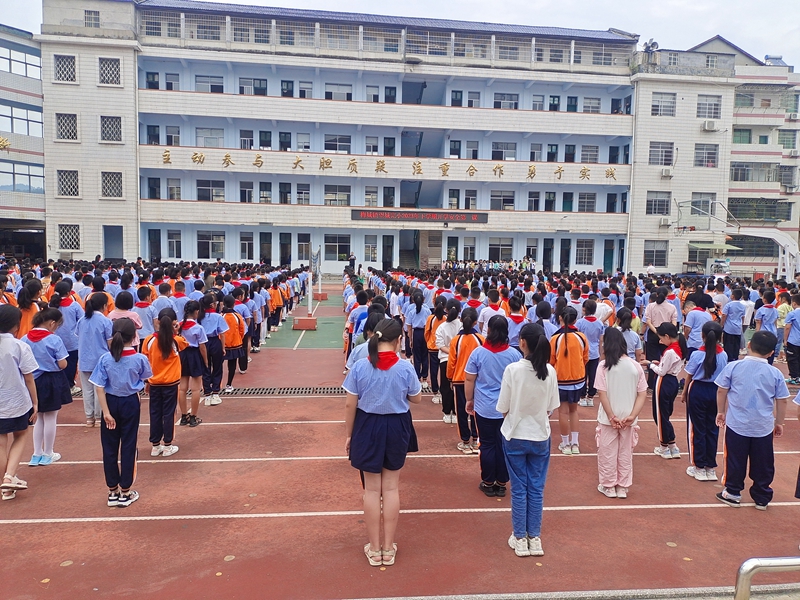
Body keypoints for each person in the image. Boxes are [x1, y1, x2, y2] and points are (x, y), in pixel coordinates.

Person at [343, 319, 422, 567]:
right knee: (390, 488)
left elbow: (350, 404)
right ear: (398, 340)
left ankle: (374, 548)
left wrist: (350, 434)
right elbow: (417, 398)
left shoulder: (360, 366)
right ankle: (388, 548)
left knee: (371, 490)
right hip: (397, 426)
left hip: (367, 426)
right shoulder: (405, 367)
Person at [497, 323, 558, 557]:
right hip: (540, 436)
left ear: (522, 342)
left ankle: (520, 538)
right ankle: (534, 537)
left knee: (519, 488)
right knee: (536, 488)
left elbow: (503, 407)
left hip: (515, 435)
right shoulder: (549, 371)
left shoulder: (513, 370)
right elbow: (551, 407)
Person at [714, 331, 789, 510]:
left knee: (734, 459)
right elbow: (782, 400)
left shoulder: (734, 366)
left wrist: (721, 411)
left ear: (748, 345)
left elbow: (721, 390)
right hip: (763, 427)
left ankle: (733, 492)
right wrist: (779, 422)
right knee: (763, 462)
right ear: (771, 353)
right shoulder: (775, 373)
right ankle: (762, 496)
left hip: (737, 424)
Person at [89, 318, 153, 508]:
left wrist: (105, 412)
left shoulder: (105, 358)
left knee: (109, 447)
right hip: (130, 402)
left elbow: (99, 386)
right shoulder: (139, 358)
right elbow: (147, 378)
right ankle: (125, 491)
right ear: (134, 336)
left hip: (109, 402)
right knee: (128, 444)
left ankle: (112, 491)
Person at [465, 315, 521, 497]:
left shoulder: (478, 353)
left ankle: (488, 481)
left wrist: (469, 399)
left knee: (487, 444)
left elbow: (469, 379)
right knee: (504, 445)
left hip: (485, 407)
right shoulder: (514, 355)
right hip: (507, 409)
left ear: (488, 330)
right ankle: (502, 482)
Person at [594, 327, 648, 499]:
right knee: (625, 452)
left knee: (607, 452)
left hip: (608, 418)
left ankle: (609, 485)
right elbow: (642, 393)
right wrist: (633, 415)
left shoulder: (603, 366)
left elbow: (602, 393)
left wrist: (611, 416)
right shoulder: (635, 366)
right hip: (628, 417)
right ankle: (622, 487)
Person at [22, 308, 72, 466]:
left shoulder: (25, 338)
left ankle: (36, 453)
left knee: (38, 417)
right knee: (50, 417)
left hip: (32, 380)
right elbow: (62, 364)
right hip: (51, 380)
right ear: (52, 323)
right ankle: (48, 453)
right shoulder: (54, 339)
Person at [0, 305, 39, 501]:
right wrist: (35, 402)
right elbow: (29, 377)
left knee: (0, 441)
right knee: (21, 434)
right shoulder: (19, 346)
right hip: (15, 400)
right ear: (16, 325)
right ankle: (8, 477)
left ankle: (6, 483)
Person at [682, 320, 727, 482]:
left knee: (697, 428)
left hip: (698, 390)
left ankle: (699, 466)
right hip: (716, 391)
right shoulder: (723, 355)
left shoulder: (697, 354)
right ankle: (710, 467)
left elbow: (689, 376)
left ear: (702, 336)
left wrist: (684, 393)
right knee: (713, 428)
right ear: (720, 337)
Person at [142, 308, 187, 458]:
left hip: (154, 382)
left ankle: (155, 445)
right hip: (171, 383)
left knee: (155, 412)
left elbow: (145, 361)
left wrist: (147, 380)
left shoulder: (149, 340)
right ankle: (168, 445)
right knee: (169, 413)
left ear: (158, 322)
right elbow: (185, 343)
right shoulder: (176, 340)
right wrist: (176, 331)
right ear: (174, 322)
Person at [644, 323, 687, 459]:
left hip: (663, 382)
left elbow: (662, 372)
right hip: (672, 381)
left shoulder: (670, 351)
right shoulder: (681, 347)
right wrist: (659, 364)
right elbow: (667, 367)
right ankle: (672, 444)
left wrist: (650, 364)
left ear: (667, 336)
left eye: (661, 338)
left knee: (660, 415)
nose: (660, 341)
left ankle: (664, 447)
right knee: (665, 414)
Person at [550, 306, 588, 455]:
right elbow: (585, 358)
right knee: (574, 410)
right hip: (578, 379)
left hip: (561, 380)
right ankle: (575, 443)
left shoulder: (555, 339)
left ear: (560, 318)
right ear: (575, 319)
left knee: (563, 412)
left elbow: (551, 361)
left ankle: (566, 444)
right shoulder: (581, 337)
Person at [447, 307, 484, 454]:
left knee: (462, 412)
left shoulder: (456, 340)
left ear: (461, 319)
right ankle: (476, 440)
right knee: (476, 410)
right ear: (475, 322)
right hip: (477, 380)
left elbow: (451, 362)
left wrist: (450, 377)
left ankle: (465, 441)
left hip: (460, 380)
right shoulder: (480, 339)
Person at [77, 294, 113, 427]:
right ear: (104, 306)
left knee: (87, 390)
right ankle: (98, 417)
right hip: (100, 359)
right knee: (100, 389)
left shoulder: (82, 320)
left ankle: (89, 418)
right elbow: (110, 342)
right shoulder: (105, 321)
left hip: (84, 359)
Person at [177, 301, 208, 427]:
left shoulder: (178, 326)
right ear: (196, 312)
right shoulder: (198, 328)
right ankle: (193, 417)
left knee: (182, 388)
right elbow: (202, 347)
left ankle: (184, 416)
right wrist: (205, 361)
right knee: (196, 388)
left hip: (182, 355)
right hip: (194, 355)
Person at [198, 294, 228, 406]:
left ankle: (207, 394)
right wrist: (223, 347)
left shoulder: (199, 316)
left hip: (203, 342)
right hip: (215, 342)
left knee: (205, 367)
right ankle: (215, 392)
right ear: (212, 305)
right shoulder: (218, 316)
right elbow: (222, 333)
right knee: (217, 367)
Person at [435, 298, 461, 424]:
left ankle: (446, 412)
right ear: (460, 310)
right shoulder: (462, 325)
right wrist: (455, 353)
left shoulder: (441, 327)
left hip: (445, 359)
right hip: (459, 360)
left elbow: (440, 345)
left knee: (445, 386)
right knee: (457, 386)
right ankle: (455, 413)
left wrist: (450, 352)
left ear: (446, 309)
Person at [576, 299, 604, 408]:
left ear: (584, 309)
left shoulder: (580, 322)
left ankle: (582, 397)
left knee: (582, 375)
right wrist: (601, 353)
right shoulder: (599, 323)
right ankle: (590, 397)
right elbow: (601, 340)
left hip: (582, 352)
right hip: (594, 352)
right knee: (593, 376)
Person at [405, 292, 431, 390]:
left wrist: (410, 339)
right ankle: (425, 378)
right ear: (423, 300)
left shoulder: (411, 312)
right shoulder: (427, 311)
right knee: (425, 356)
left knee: (417, 357)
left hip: (416, 333)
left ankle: (418, 378)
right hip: (425, 333)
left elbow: (409, 326)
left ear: (413, 300)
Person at [424, 296, 447, 404]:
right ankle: (443, 392)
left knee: (433, 370)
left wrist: (429, 342)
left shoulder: (431, 318)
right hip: (444, 348)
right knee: (444, 372)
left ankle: (435, 392)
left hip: (433, 347)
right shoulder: (446, 318)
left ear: (434, 304)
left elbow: (426, 332)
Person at [221, 295, 246, 393]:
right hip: (235, 344)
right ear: (233, 304)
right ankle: (229, 384)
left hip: (222, 344)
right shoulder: (237, 316)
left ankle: (215, 384)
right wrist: (239, 338)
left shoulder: (221, 316)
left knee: (218, 365)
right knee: (232, 365)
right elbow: (242, 330)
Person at [720, 289, 747, 362]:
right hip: (738, 328)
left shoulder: (729, 305)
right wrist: (741, 325)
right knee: (736, 345)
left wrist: (722, 324)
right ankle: (735, 358)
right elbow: (743, 317)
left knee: (728, 344)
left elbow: (724, 315)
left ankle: (729, 359)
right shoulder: (742, 306)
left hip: (729, 328)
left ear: (732, 296)